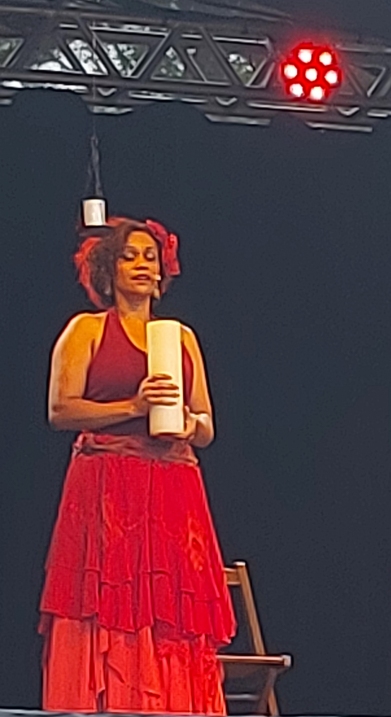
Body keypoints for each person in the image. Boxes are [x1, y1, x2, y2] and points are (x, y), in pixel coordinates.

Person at [40, 217, 236, 713]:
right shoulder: (87, 329)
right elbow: (61, 410)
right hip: (109, 484)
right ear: (109, 269)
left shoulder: (181, 338)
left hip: (173, 486)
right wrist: (134, 405)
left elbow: (207, 425)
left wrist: (189, 424)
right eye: (130, 256)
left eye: (151, 256)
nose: (144, 265)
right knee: (108, 600)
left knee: (168, 608)